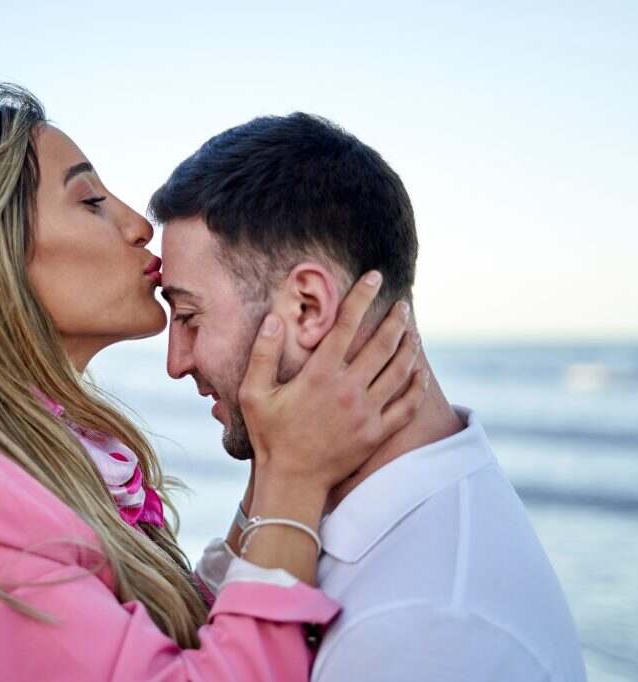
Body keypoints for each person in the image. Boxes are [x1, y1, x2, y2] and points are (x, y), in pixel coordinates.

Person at [0, 84, 428, 682]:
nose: (137, 224)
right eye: (91, 201)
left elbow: (157, 642)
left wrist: (275, 456)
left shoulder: (26, 460)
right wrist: (295, 478)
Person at [151, 112, 588, 681]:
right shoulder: (354, 518)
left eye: (188, 315)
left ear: (307, 308)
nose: (175, 361)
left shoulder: (425, 636)